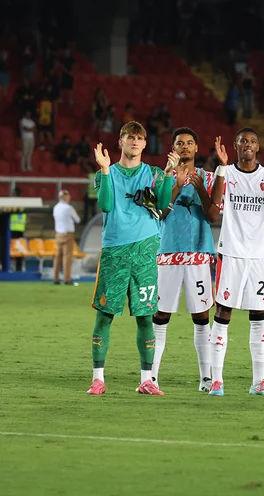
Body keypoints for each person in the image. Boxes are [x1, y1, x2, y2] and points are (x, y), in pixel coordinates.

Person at [86, 121, 175, 396]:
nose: (134, 142)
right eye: (129, 137)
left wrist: (169, 175)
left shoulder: (155, 174)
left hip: (145, 252)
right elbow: (106, 205)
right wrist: (104, 169)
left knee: (146, 317)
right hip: (114, 252)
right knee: (105, 316)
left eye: (139, 138)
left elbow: (163, 205)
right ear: (121, 141)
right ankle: (98, 379)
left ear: (145, 143)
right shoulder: (105, 173)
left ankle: (147, 380)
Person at [208, 128, 264, 397]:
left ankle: (259, 382)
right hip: (232, 252)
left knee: (259, 315)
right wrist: (222, 167)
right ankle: (216, 381)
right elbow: (216, 202)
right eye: (243, 141)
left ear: (258, 147)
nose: (248, 144)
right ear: (235, 145)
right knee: (223, 312)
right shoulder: (226, 172)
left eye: (253, 141)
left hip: (260, 255)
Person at [150, 128, 221, 392]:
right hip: (168, 253)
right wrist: (176, 184)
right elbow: (158, 213)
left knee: (201, 316)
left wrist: (197, 187)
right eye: (180, 143)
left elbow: (213, 216)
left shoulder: (208, 177)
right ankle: (151, 376)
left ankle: (205, 378)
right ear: (173, 148)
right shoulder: (160, 177)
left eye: (190, 143)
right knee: (160, 315)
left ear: (196, 148)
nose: (185, 147)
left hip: (198, 254)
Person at [52, 189, 80, 285]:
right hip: (67, 234)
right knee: (67, 258)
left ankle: (55, 278)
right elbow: (77, 220)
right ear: (66, 197)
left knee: (57, 257)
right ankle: (67, 279)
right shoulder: (69, 208)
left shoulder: (55, 208)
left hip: (58, 234)